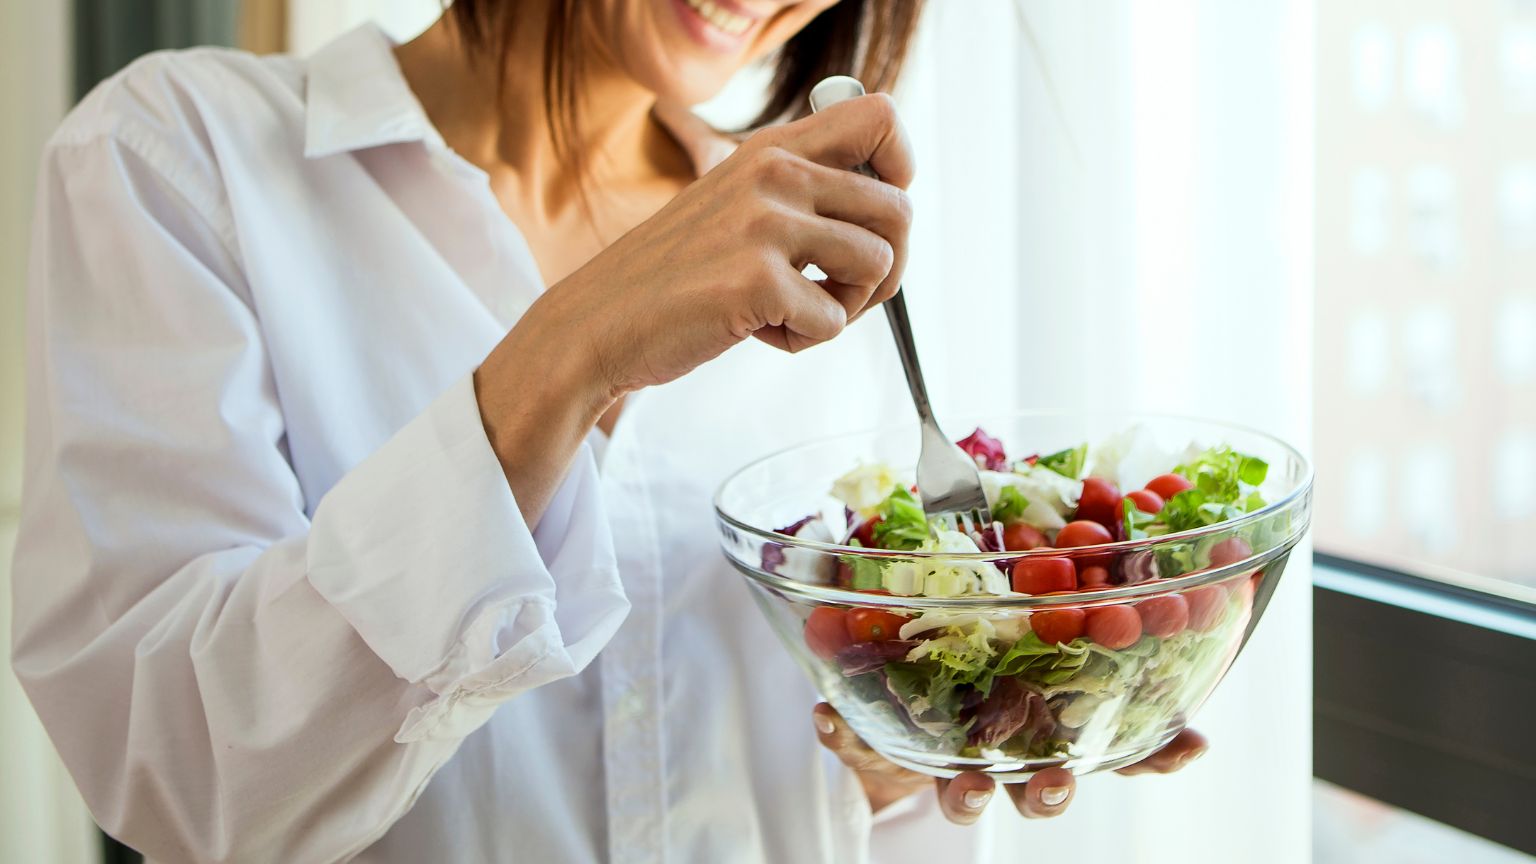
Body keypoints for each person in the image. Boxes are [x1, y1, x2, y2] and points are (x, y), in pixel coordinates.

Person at [10, 1, 1204, 861]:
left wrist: (909, 753)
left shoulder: (812, 253)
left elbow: (819, 795)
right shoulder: (180, 155)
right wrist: (570, 352)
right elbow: (181, 774)